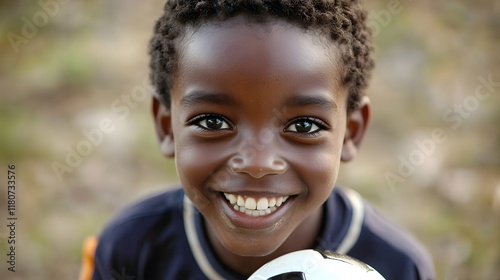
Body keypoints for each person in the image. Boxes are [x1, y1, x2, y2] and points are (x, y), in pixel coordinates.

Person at [81, 1, 436, 279]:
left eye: (304, 126)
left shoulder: (397, 267)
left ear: (351, 132)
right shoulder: (131, 249)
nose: (257, 162)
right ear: (166, 127)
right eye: (212, 121)